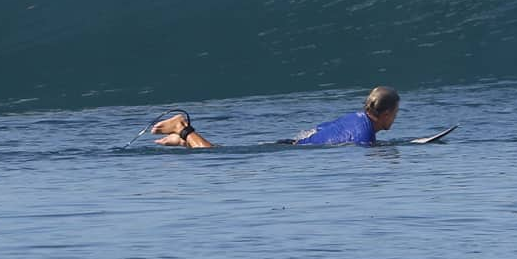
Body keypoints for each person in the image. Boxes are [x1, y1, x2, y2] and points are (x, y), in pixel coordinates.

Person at [152, 87, 401, 148]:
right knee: (212, 155)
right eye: (396, 113)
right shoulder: (365, 135)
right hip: (292, 150)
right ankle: (183, 128)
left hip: (292, 144)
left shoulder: (356, 117)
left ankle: (181, 141)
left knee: (219, 149)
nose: (396, 119)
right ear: (387, 113)